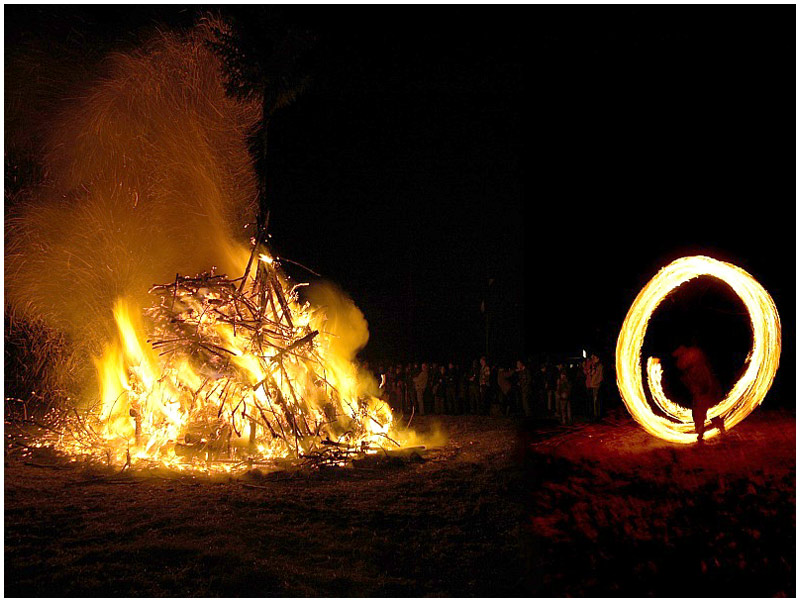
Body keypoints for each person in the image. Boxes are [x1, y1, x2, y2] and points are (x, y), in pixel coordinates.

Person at [672, 344, 723, 442]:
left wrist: (704, 389)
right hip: (701, 392)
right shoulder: (691, 369)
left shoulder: (697, 368)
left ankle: (702, 433)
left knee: (699, 413)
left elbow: (705, 379)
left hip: (703, 392)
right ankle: (713, 430)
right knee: (702, 413)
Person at [584, 353, 604, 420]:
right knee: (593, 401)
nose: (593, 359)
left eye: (594, 358)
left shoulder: (599, 366)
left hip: (596, 386)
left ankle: (597, 416)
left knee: (596, 401)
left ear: (598, 359)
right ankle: (595, 415)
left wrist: (596, 383)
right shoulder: (595, 365)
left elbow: (600, 377)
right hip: (592, 385)